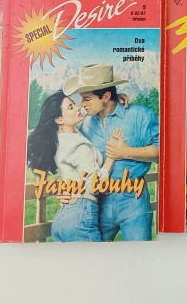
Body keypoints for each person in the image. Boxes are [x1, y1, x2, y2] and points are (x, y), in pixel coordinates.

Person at [66, 64, 159, 241]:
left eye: (87, 99)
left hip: (134, 201)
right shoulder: (85, 124)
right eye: (82, 99)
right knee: (95, 255)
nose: (83, 104)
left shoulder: (141, 115)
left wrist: (126, 152)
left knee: (140, 255)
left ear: (106, 96)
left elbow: (162, 153)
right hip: (98, 203)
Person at [27, 91, 118, 242]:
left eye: (74, 104)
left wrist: (114, 99)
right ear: (59, 119)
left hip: (63, 218)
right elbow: (94, 185)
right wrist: (112, 157)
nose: (77, 108)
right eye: (70, 107)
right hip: (80, 216)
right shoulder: (77, 145)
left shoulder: (60, 140)